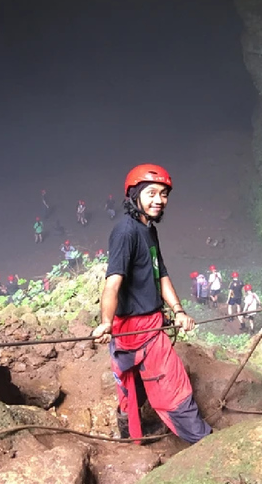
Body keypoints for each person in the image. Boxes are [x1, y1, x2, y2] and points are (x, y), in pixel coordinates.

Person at [90, 163, 211, 445]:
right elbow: (113, 282)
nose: (159, 200)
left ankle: (130, 431)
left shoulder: (148, 229)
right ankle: (204, 441)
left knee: (134, 383)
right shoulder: (125, 232)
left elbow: (161, 273)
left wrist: (178, 311)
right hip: (133, 327)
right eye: (152, 193)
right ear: (135, 195)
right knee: (172, 385)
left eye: (164, 194)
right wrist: (106, 323)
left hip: (150, 322)